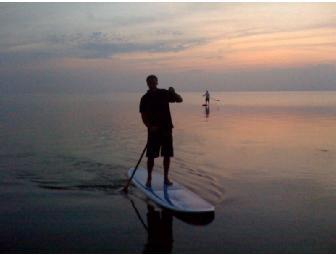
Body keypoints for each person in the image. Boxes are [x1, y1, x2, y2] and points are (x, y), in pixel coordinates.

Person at [139, 74, 183, 188]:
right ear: (147, 84)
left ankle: (166, 178)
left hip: (167, 129)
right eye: (150, 82)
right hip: (153, 131)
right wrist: (149, 126)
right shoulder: (145, 98)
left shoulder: (164, 93)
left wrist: (173, 93)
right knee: (151, 156)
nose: (152, 84)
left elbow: (180, 100)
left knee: (167, 155)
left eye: (154, 82)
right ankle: (149, 178)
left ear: (157, 82)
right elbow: (143, 116)